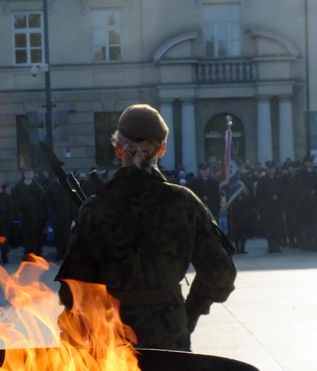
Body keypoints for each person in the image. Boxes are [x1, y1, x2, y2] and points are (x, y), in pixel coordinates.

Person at [55, 104, 236, 351]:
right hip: (170, 336)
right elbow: (221, 273)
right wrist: (188, 313)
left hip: (112, 345)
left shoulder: (94, 209)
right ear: (162, 148)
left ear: (119, 149)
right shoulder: (184, 203)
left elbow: (71, 288)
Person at [12, 168, 47, 257]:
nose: (28, 175)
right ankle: (27, 251)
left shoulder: (37, 186)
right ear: (24, 175)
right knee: (26, 234)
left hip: (35, 214)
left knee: (35, 233)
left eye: (30, 173)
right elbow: (14, 199)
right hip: (24, 214)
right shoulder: (19, 186)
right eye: (26, 173)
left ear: (33, 175)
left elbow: (42, 200)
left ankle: (36, 251)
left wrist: (41, 213)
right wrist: (18, 210)